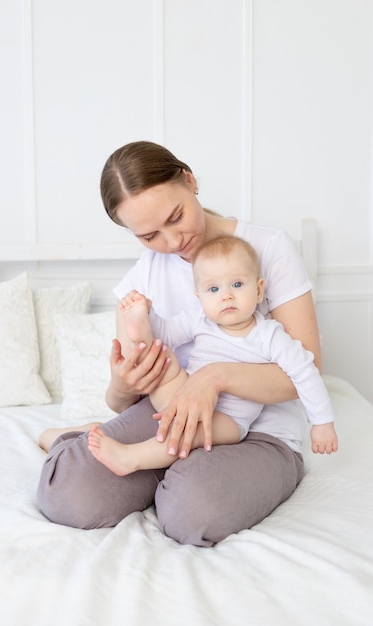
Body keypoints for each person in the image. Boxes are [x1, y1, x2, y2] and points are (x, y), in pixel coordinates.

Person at [37, 140, 328, 547]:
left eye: (176, 217)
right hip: (165, 416)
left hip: (259, 431)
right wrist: (124, 383)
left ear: (189, 180)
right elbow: (122, 401)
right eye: (150, 235)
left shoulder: (269, 249)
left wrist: (214, 377)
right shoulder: (144, 276)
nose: (172, 242)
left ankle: (168, 471)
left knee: (192, 511)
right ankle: (86, 441)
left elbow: (305, 371)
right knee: (69, 492)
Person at [87, 235, 338, 477]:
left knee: (187, 431)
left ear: (259, 290)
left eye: (237, 285)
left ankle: (131, 459)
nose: (226, 295)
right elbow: (166, 332)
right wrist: (150, 317)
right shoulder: (200, 321)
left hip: (228, 420)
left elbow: (305, 370)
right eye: (214, 289)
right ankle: (139, 324)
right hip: (182, 396)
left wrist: (322, 422)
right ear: (200, 297)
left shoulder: (268, 335)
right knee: (160, 352)